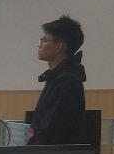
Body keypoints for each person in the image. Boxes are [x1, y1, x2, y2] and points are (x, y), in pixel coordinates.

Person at [29, 15, 88, 145]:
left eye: (44, 40)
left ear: (58, 47)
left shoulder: (67, 81)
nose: (40, 45)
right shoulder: (55, 77)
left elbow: (51, 131)